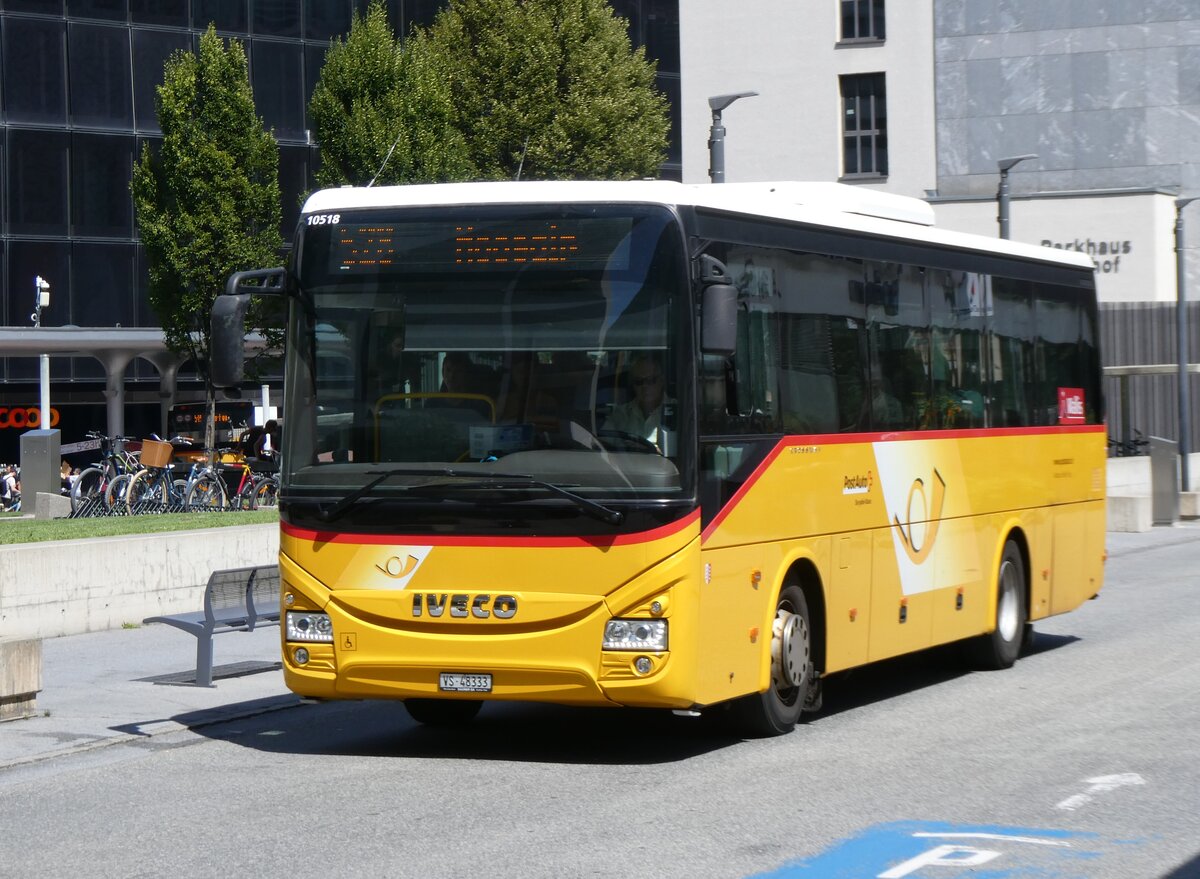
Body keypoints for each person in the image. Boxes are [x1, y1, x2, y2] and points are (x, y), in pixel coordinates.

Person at [605, 354, 672, 449]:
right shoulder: (620, 414)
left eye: (651, 380)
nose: (645, 386)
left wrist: (650, 450)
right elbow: (603, 447)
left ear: (662, 381)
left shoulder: (677, 412)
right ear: (633, 386)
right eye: (638, 381)